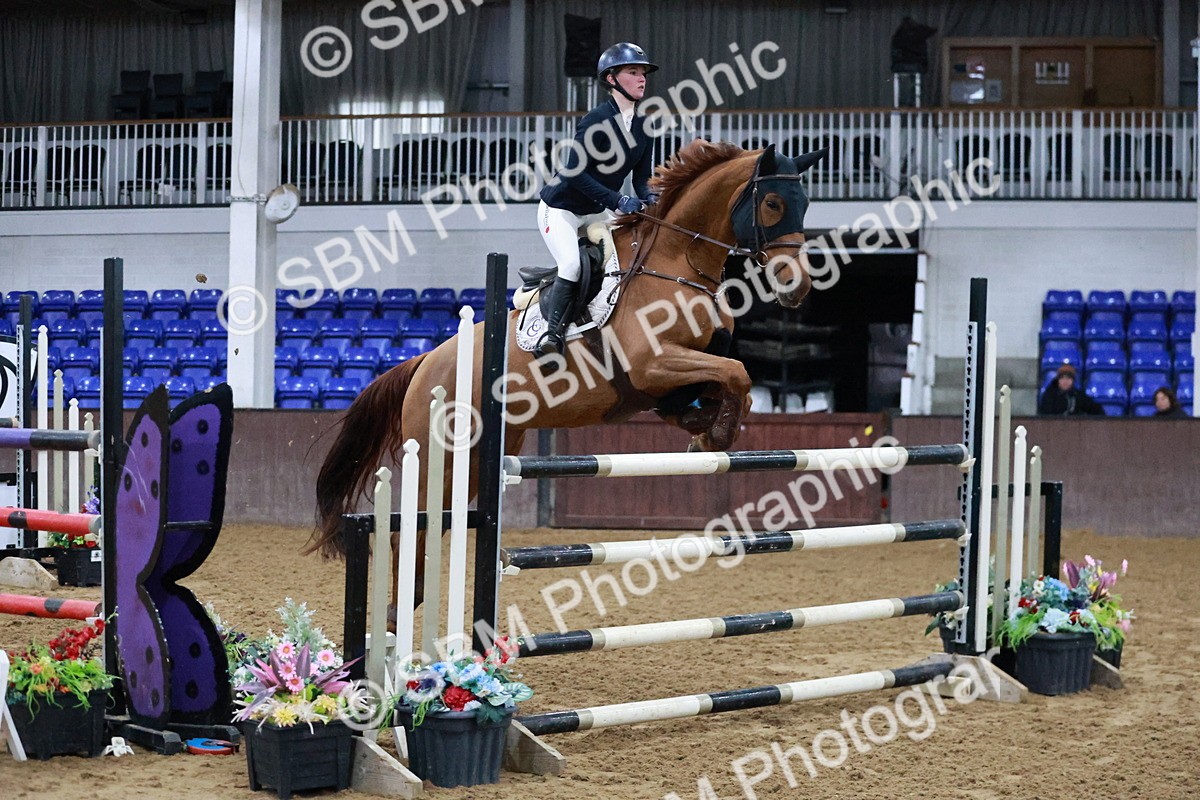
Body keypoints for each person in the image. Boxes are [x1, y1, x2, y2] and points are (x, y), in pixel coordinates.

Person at [534, 42, 659, 357]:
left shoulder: (645, 126)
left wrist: (652, 198)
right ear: (612, 79)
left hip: (594, 212)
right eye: (633, 72)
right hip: (560, 209)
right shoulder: (597, 119)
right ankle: (551, 337)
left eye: (643, 72)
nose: (642, 78)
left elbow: (642, 178)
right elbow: (574, 172)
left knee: (625, 262)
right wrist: (618, 200)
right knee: (572, 265)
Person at [1037, 364, 1106, 416]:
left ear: (1073, 381)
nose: (1065, 381)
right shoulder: (1049, 395)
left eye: (1068, 378)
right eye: (1062, 378)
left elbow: (1095, 409)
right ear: (1058, 380)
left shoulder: (1078, 395)